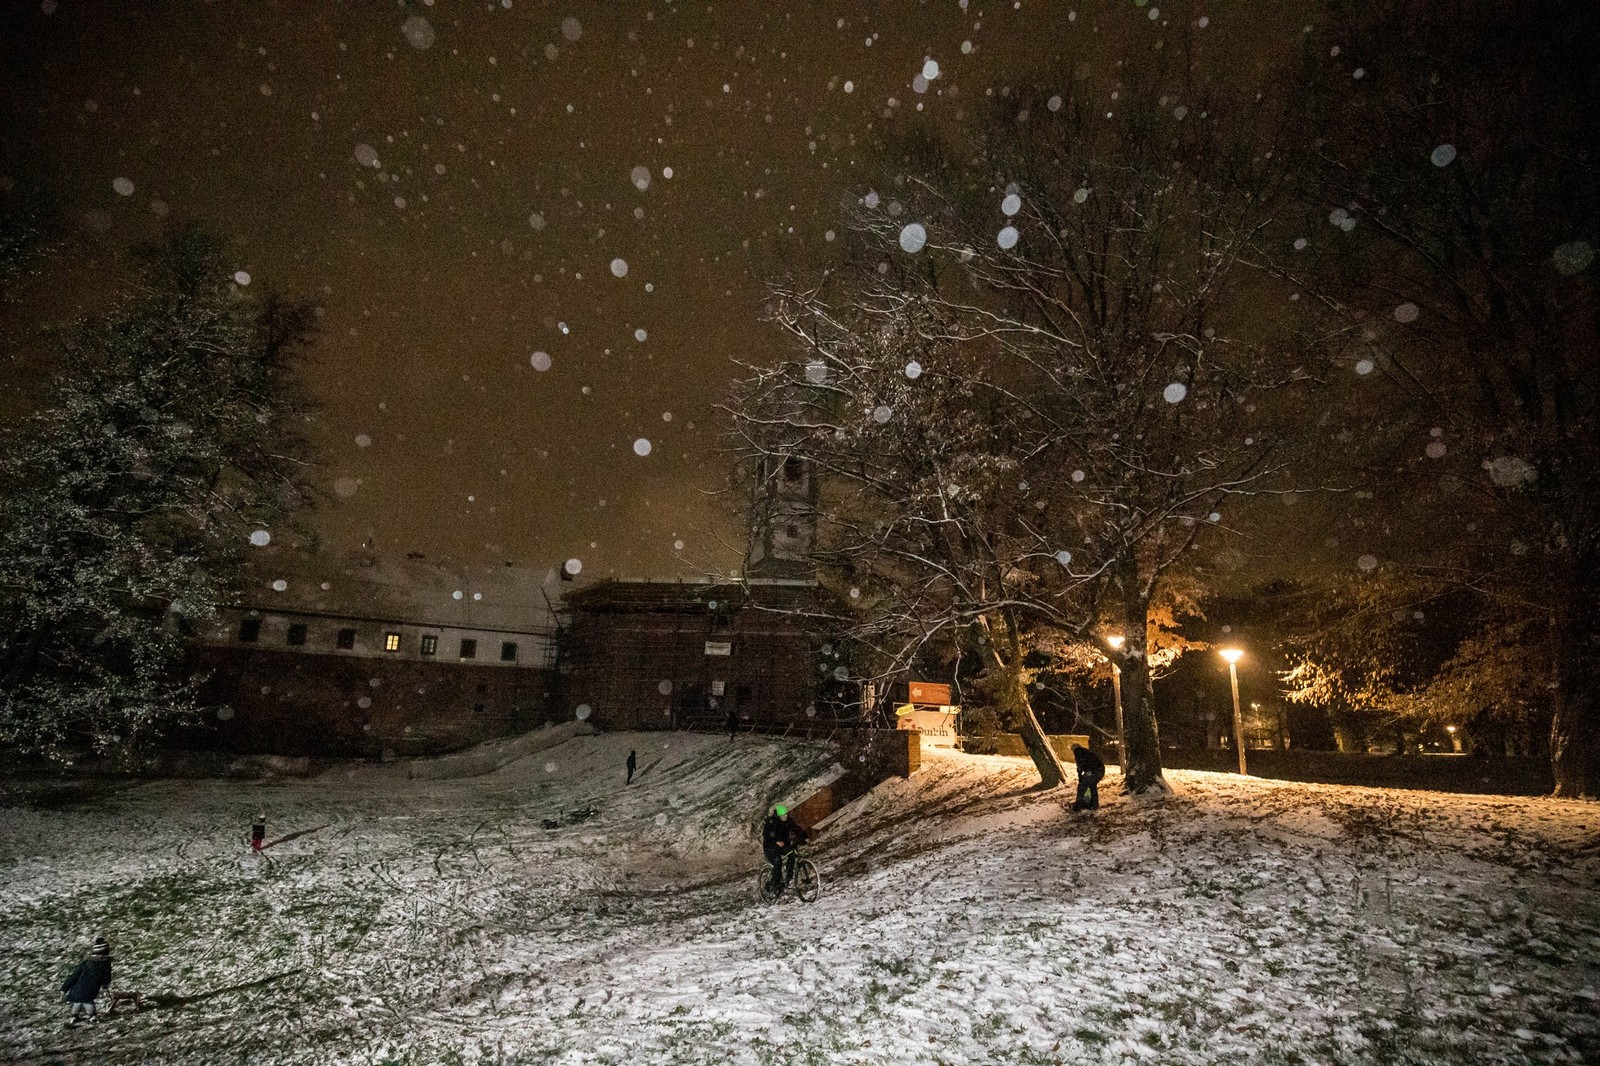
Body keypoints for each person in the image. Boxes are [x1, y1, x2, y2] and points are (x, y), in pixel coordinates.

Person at [61, 937, 112, 1026]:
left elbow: (74, 976)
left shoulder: (85, 963)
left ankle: (74, 1016)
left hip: (78, 987)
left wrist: (64, 988)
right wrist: (105, 985)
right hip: (91, 988)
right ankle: (92, 1016)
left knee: (77, 1002)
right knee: (88, 1002)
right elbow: (106, 977)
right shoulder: (105, 965)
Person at [760, 804, 808, 893]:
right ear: (778, 816)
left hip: (782, 845)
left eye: (786, 814)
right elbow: (767, 836)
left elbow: (796, 828)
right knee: (777, 862)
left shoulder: (788, 821)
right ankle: (774, 884)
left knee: (792, 854)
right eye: (783, 815)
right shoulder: (771, 823)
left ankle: (788, 878)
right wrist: (775, 842)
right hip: (770, 847)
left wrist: (805, 837)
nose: (786, 816)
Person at [1072, 744, 1105, 812]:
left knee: (1082, 786)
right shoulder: (1086, 752)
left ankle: (1079, 805)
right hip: (1100, 770)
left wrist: (1082, 775)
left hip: (1093, 771)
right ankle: (1093, 804)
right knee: (1091, 786)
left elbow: (1081, 765)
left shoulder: (1078, 752)